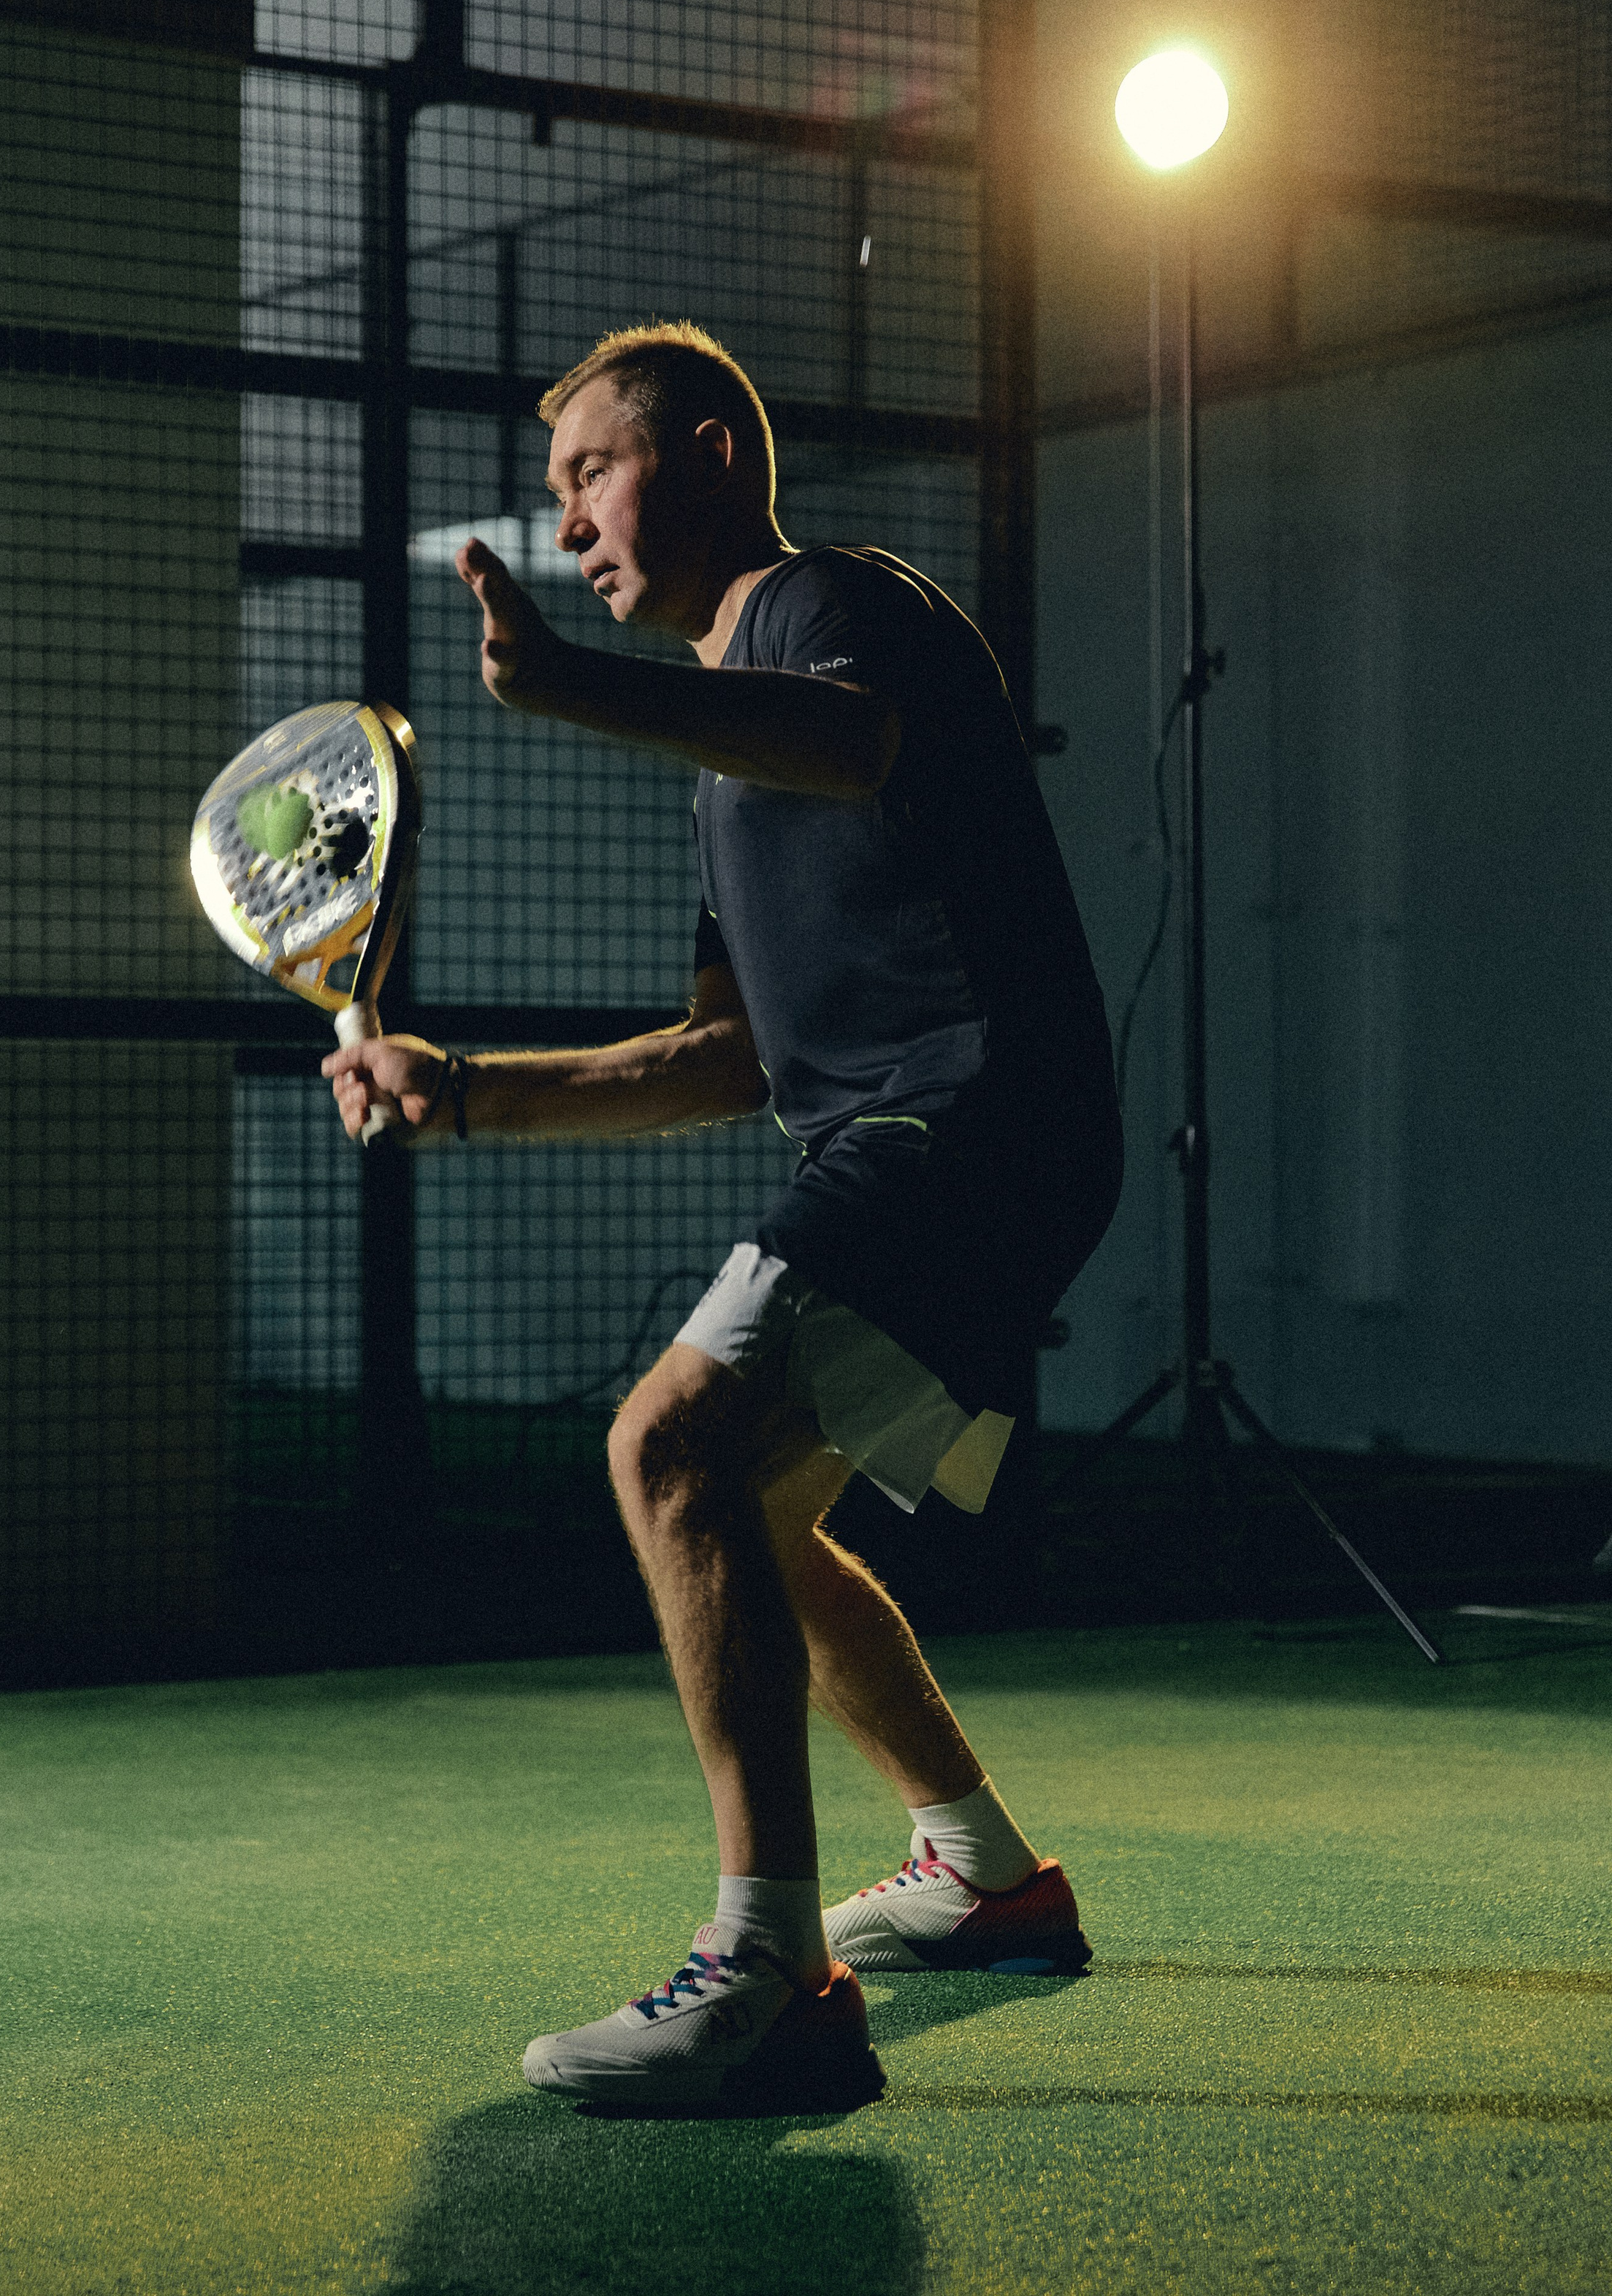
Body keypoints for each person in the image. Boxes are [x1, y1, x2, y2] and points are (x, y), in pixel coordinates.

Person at [324, 321, 1123, 2113]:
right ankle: (984, 1874)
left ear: (702, 455)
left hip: (976, 1114)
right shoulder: (717, 765)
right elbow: (724, 1058)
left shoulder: (829, 607)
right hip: (945, 1136)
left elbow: (846, 745)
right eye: (553, 500)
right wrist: (461, 1090)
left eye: (591, 477)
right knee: (755, 1512)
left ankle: (765, 1972)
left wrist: (570, 690)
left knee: (668, 1443)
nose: (570, 528)